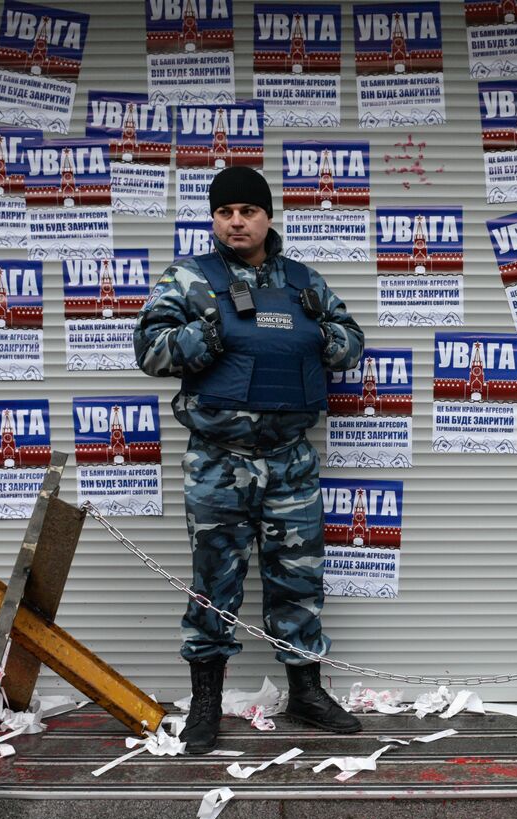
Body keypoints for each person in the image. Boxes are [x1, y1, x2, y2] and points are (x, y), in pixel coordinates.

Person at [135, 165, 365, 753]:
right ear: (214, 220)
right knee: (215, 584)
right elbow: (151, 352)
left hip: (291, 460)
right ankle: (206, 704)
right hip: (219, 459)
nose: (236, 221)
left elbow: (349, 340)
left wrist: (318, 336)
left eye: (248, 211)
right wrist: (211, 332)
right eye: (225, 212)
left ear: (267, 217)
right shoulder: (190, 279)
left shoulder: (302, 282)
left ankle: (307, 694)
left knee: (299, 581)